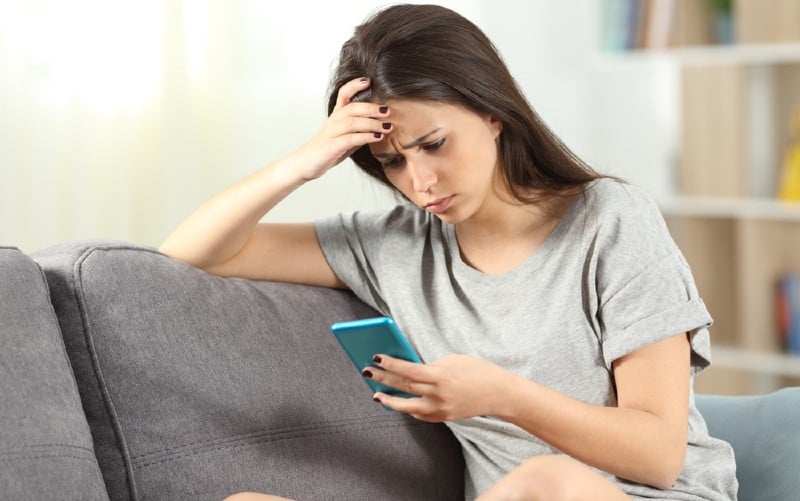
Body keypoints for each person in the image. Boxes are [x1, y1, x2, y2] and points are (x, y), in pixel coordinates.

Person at [160, 4, 738, 500]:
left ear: (492, 113)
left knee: (549, 483)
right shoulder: (395, 244)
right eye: (392, 161)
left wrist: (502, 396)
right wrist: (304, 162)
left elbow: (659, 453)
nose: (421, 181)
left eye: (433, 144)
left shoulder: (611, 219)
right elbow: (190, 253)